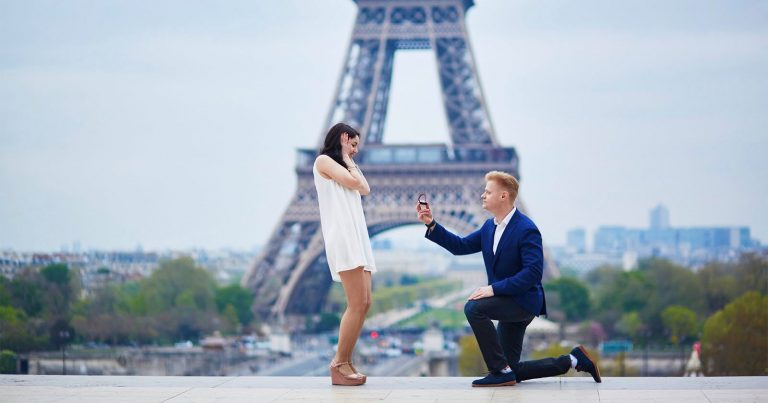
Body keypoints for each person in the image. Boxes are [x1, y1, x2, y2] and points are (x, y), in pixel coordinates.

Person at [416, 171, 601, 387]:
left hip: (523, 302)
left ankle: (499, 371)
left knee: (474, 308)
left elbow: (532, 273)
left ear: (503, 196)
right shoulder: (489, 227)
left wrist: (493, 289)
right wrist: (431, 225)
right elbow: (460, 246)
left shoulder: (526, 229)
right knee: (511, 370)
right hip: (508, 299)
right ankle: (573, 359)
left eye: (488, 191)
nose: (482, 196)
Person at [314, 122, 376, 386]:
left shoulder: (346, 164)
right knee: (355, 303)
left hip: (357, 236)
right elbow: (353, 182)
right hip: (343, 236)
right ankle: (338, 364)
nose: (356, 151)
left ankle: (347, 360)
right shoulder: (324, 161)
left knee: (365, 303)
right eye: (353, 144)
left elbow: (364, 189)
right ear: (342, 138)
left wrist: (349, 157)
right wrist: (347, 157)